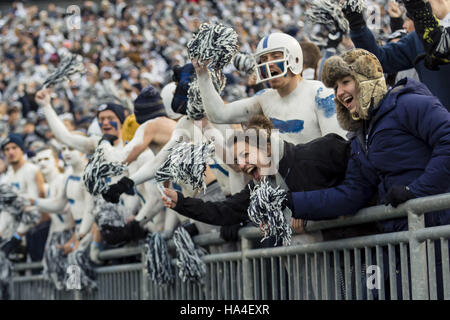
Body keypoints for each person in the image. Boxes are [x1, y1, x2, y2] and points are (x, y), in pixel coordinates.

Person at [289, 48, 450, 299]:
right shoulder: (361, 137)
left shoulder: (409, 102)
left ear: (366, 80)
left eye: (346, 81)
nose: (340, 92)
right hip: (401, 241)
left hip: (438, 235)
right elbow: (352, 194)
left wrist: (415, 191)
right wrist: (292, 202)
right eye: (336, 87)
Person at [161, 115, 350, 242]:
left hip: (357, 252)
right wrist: (181, 203)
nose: (241, 164)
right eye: (236, 160)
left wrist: (308, 209)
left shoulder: (318, 152)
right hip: (316, 264)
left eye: (245, 155)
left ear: (267, 148)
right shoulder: (260, 187)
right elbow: (225, 210)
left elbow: (357, 183)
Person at [193, 32, 347, 145]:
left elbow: (337, 148)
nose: (269, 63)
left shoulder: (320, 94)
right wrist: (202, 74)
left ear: (295, 58)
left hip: (322, 183)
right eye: (264, 59)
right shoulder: (264, 98)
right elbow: (219, 115)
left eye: (275, 56)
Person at [341, 0, 450, 109]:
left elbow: (440, 46)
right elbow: (378, 60)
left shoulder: (432, 36)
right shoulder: (417, 39)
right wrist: (356, 23)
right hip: (439, 122)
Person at [0, 134, 48, 260]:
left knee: (39, 272)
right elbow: (7, 209)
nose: (11, 152)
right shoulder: (8, 176)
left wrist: (16, 237)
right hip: (18, 232)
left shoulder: (32, 170)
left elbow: (35, 206)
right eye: (7, 149)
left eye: (14, 147)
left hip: (37, 229)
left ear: (21, 149)